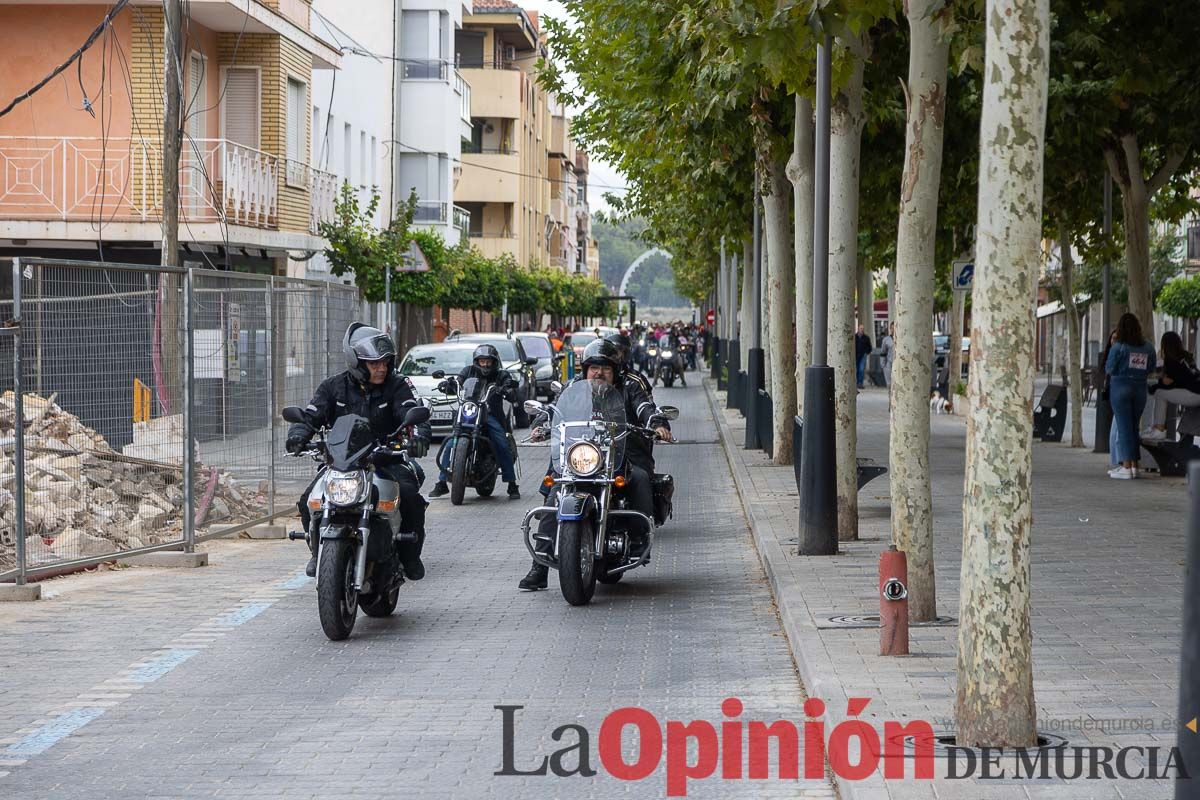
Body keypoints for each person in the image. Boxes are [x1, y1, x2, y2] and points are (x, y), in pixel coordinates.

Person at [518, 340, 673, 591]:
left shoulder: (630, 387)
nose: (599, 373)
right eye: (594, 368)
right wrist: (541, 423)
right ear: (585, 370)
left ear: (615, 371)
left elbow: (646, 407)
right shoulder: (574, 387)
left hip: (624, 453)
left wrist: (656, 422)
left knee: (642, 479)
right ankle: (540, 565)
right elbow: (555, 408)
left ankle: (637, 540)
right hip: (582, 455)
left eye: (605, 368)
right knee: (556, 490)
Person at [287, 324, 432, 580]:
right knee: (308, 500)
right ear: (356, 363)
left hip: (385, 459)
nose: (381, 368)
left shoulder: (396, 386)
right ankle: (317, 553)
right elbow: (311, 415)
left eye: (385, 362)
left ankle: (410, 556)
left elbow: (411, 410)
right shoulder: (333, 387)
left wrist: (419, 435)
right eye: (373, 363)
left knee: (410, 497)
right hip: (342, 462)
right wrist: (298, 436)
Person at [430, 344, 521, 499]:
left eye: (488, 361)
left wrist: (507, 388)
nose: (484, 364)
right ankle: (442, 482)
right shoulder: (468, 371)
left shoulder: (501, 375)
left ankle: (511, 484)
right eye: (481, 361)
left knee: (502, 443)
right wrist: (449, 384)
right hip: (469, 412)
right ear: (476, 361)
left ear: (494, 362)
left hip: (489, 415)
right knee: (451, 443)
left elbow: (511, 389)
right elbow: (459, 382)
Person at [1105, 313, 1157, 479]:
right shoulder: (1148, 347)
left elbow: (1109, 368)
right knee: (1134, 426)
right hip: (1140, 388)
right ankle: (1134, 465)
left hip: (1120, 386)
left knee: (1123, 427)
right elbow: (1151, 368)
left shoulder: (1118, 346)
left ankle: (1126, 466)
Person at [1142, 331, 1200, 441]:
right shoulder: (1187, 356)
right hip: (1196, 391)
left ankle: (1159, 429)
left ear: (1165, 344)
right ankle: (1157, 427)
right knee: (1161, 392)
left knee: (1160, 393)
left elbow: (1168, 384)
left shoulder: (1171, 360)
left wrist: (1153, 388)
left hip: (1194, 394)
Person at [854, 324, 873, 389]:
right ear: (858, 329)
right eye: (860, 328)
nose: (862, 330)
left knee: (861, 369)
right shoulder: (854, 337)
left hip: (862, 355)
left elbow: (870, 347)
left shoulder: (866, 338)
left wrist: (866, 352)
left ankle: (860, 383)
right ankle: (855, 383)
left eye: (863, 329)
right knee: (856, 369)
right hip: (855, 355)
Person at [880, 322, 895, 387]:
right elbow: (883, 352)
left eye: (895, 328)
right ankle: (890, 396)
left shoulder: (902, 340)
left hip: (899, 365)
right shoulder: (886, 340)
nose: (893, 330)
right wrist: (883, 365)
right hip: (889, 364)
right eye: (892, 328)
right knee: (889, 385)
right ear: (890, 329)